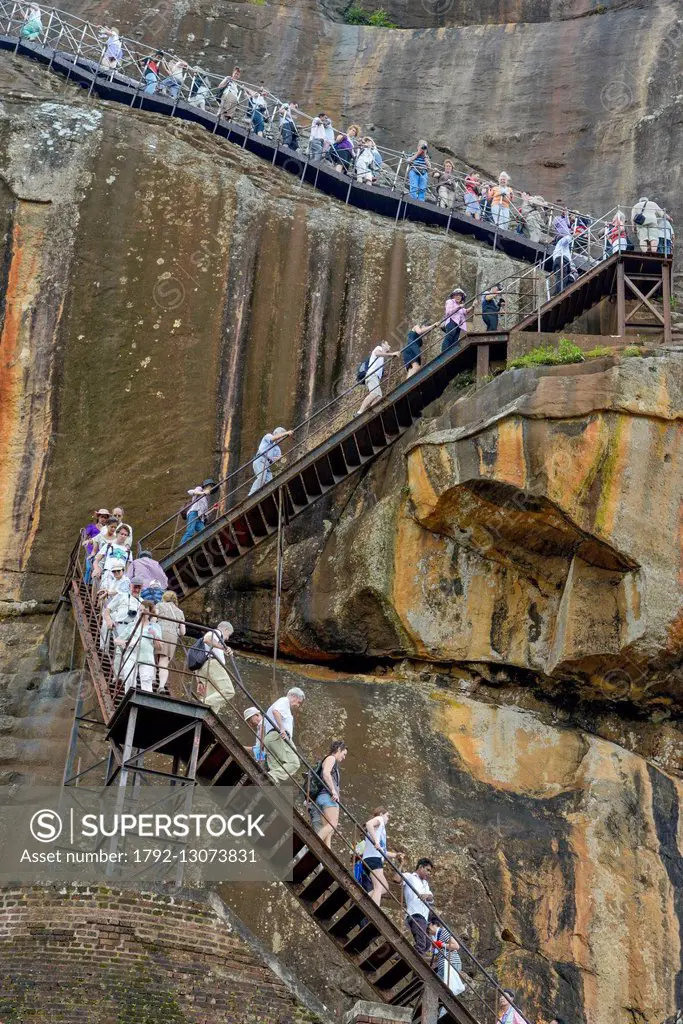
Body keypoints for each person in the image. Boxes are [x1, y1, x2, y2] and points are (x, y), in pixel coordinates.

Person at [263, 686, 305, 784]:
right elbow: (276, 711)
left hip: (270, 739)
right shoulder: (284, 701)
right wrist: (282, 728)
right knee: (294, 763)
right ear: (294, 696)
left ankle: (268, 782)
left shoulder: (283, 704)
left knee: (277, 768)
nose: (298, 705)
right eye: (299, 702)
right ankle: (270, 777)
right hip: (278, 737)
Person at [105, 579, 144, 682]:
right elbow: (107, 610)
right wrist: (109, 621)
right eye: (135, 586)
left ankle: (128, 676)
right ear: (130, 586)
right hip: (120, 626)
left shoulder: (142, 601)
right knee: (119, 649)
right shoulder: (121, 596)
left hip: (134, 628)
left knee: (131, 650)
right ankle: (117, 675)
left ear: (142, 588)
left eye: (139, 587)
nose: (136, 589)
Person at [312, 740, 347, 848]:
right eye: (344, 754)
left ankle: (326, 856)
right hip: (328, 797)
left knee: (328, 831)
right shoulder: (331, 758)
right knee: (333, 824)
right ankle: (311, 845)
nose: (344, 757)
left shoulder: (329, 760)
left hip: (322, 797)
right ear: (339, 750)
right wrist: (333, 791)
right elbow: (326, 774)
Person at [194, 621, 235, 709]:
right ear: (226, 630)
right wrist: (224, 648)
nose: (227, 638)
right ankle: (199, 703)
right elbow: (207, 639)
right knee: (228, 691)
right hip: (213, 665)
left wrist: (199, 681)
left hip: (203, 668)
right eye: (228, 635)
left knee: (214, 698)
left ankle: (207, 719)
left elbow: (198, 660)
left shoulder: (211, 643)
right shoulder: (217, 632)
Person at [362, 807, 396, 906]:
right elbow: (369, 824)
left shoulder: (380, 829)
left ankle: (363, 901)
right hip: (373, 858)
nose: (388, 819)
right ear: (381, 814)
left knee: (385, 887)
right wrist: (376, 842)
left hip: (371, 858)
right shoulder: (380, 820)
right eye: (387, 816)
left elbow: (382, 850)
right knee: (378, 887)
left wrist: (395, 855)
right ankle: (373, 912)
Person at [357, 340, 401, 416]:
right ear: (383, 344)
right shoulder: (379, 348)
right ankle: (359, 412)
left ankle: (370, 412)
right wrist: (392, 353)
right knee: (374, 393)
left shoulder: (381, 358)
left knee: (379, 397)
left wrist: (384, 373)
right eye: (388, 344)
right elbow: (377, 353)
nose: (389, 346)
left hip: (375, 377)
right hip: (372, 375)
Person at [155, 590, 186, 694]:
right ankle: (161, 686)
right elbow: (183, 632)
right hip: (172, 637)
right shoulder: (180, 612)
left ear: (164, 598)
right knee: (164, 662)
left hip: (160, 632)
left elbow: (153, 621)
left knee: (153, 657)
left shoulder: (159, 605)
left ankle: (153, 680)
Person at [248, 427, 293, 495]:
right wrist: (286, 433)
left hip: (268, 465)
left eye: (282, 438)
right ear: (276, 433)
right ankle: (251, 495)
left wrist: (279, 458)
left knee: (270, 482)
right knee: (261, 478)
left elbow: (274, 460)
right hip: (261, 460)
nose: (281, 439)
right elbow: (273, 438)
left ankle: (263, 497)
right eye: (281, 436)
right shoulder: (268, 436)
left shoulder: (277, 448)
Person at [403, 858, 434, 954]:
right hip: (415, 914)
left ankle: (400, 957)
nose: (429, 873)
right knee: (421, 944)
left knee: (428, 944)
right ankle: (412, 962)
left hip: (424, 918)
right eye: (427, 870)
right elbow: (396, 879)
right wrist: (401, 865)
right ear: (420, 867)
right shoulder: (409, 876)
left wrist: (427, 896)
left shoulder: (425, 883)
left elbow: (431, 898)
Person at [428, 918, 466, 998]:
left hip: (451, 963)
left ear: (432, 924)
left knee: (438, 985)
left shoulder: (443, 932)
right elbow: (438, 957)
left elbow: (456, 946)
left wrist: (441, 944)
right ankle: (442, 1009)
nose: (428, 932)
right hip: (444, 965)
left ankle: (443, 1009)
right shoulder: (436, 937)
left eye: (428, 928)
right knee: (437, 986)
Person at [81, 508, 110, 583]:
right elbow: (85, 536)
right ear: (98, 517)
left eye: (105, 517)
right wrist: (87, 541)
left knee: (97, 570)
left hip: (101, 552)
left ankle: (92, 585)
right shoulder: (91, 527)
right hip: (90, 551)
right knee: (88, 568)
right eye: (102, 517)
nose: (103, 519)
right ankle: (85, 583)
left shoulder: (107, 529)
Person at [442, 289, 472, 353]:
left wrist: (473, 306)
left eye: (460, 295)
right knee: (449, 337)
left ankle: (451, 353)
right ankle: (444, 353)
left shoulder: (460, 305)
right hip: (451, 322)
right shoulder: (450, 301)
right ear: (453, 296)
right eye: (456, 295)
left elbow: (465, 311)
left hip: (458, 324)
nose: (458, 297)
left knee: (455, 340)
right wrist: (458, 307)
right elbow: (448, 312)